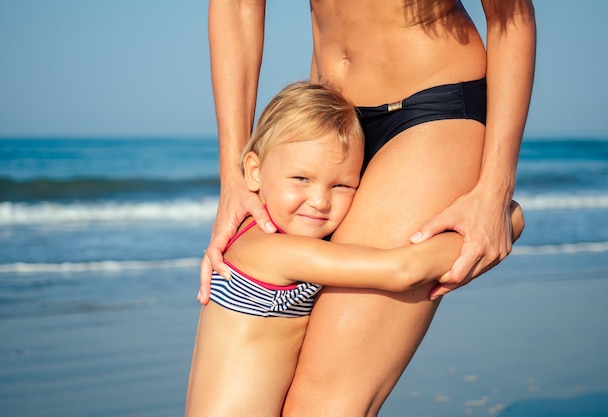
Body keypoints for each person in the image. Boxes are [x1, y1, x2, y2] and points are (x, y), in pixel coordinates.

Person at [200, 1, 536, 415]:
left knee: (323, 405)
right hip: (328, 122)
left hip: (428, 110)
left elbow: (510, 16)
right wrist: (232, 178)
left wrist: (496, 193)